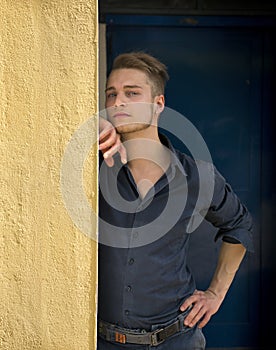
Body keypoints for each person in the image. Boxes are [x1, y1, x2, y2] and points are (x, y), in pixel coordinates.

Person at [97, 52, 254, 349]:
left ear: (158, 104)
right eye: (111, 94)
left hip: (176, 339)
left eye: (132, 93)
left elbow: (240, 224)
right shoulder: (93, 169)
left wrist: (216, 293)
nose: (118, 103)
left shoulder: (198, 176)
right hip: (104, 342)